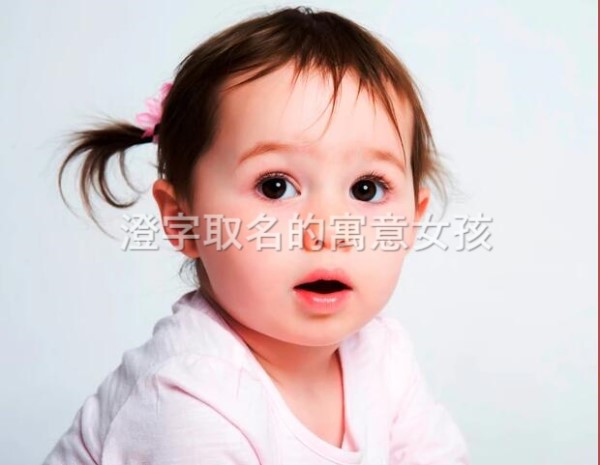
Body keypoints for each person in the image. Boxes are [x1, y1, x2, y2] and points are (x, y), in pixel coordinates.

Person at [44, 6, 469, 464]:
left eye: (367, 189)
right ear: (183, 220)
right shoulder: (187, 398)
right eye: (275, 186)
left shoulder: (383, 356)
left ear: (412, 221)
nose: (329, 230)